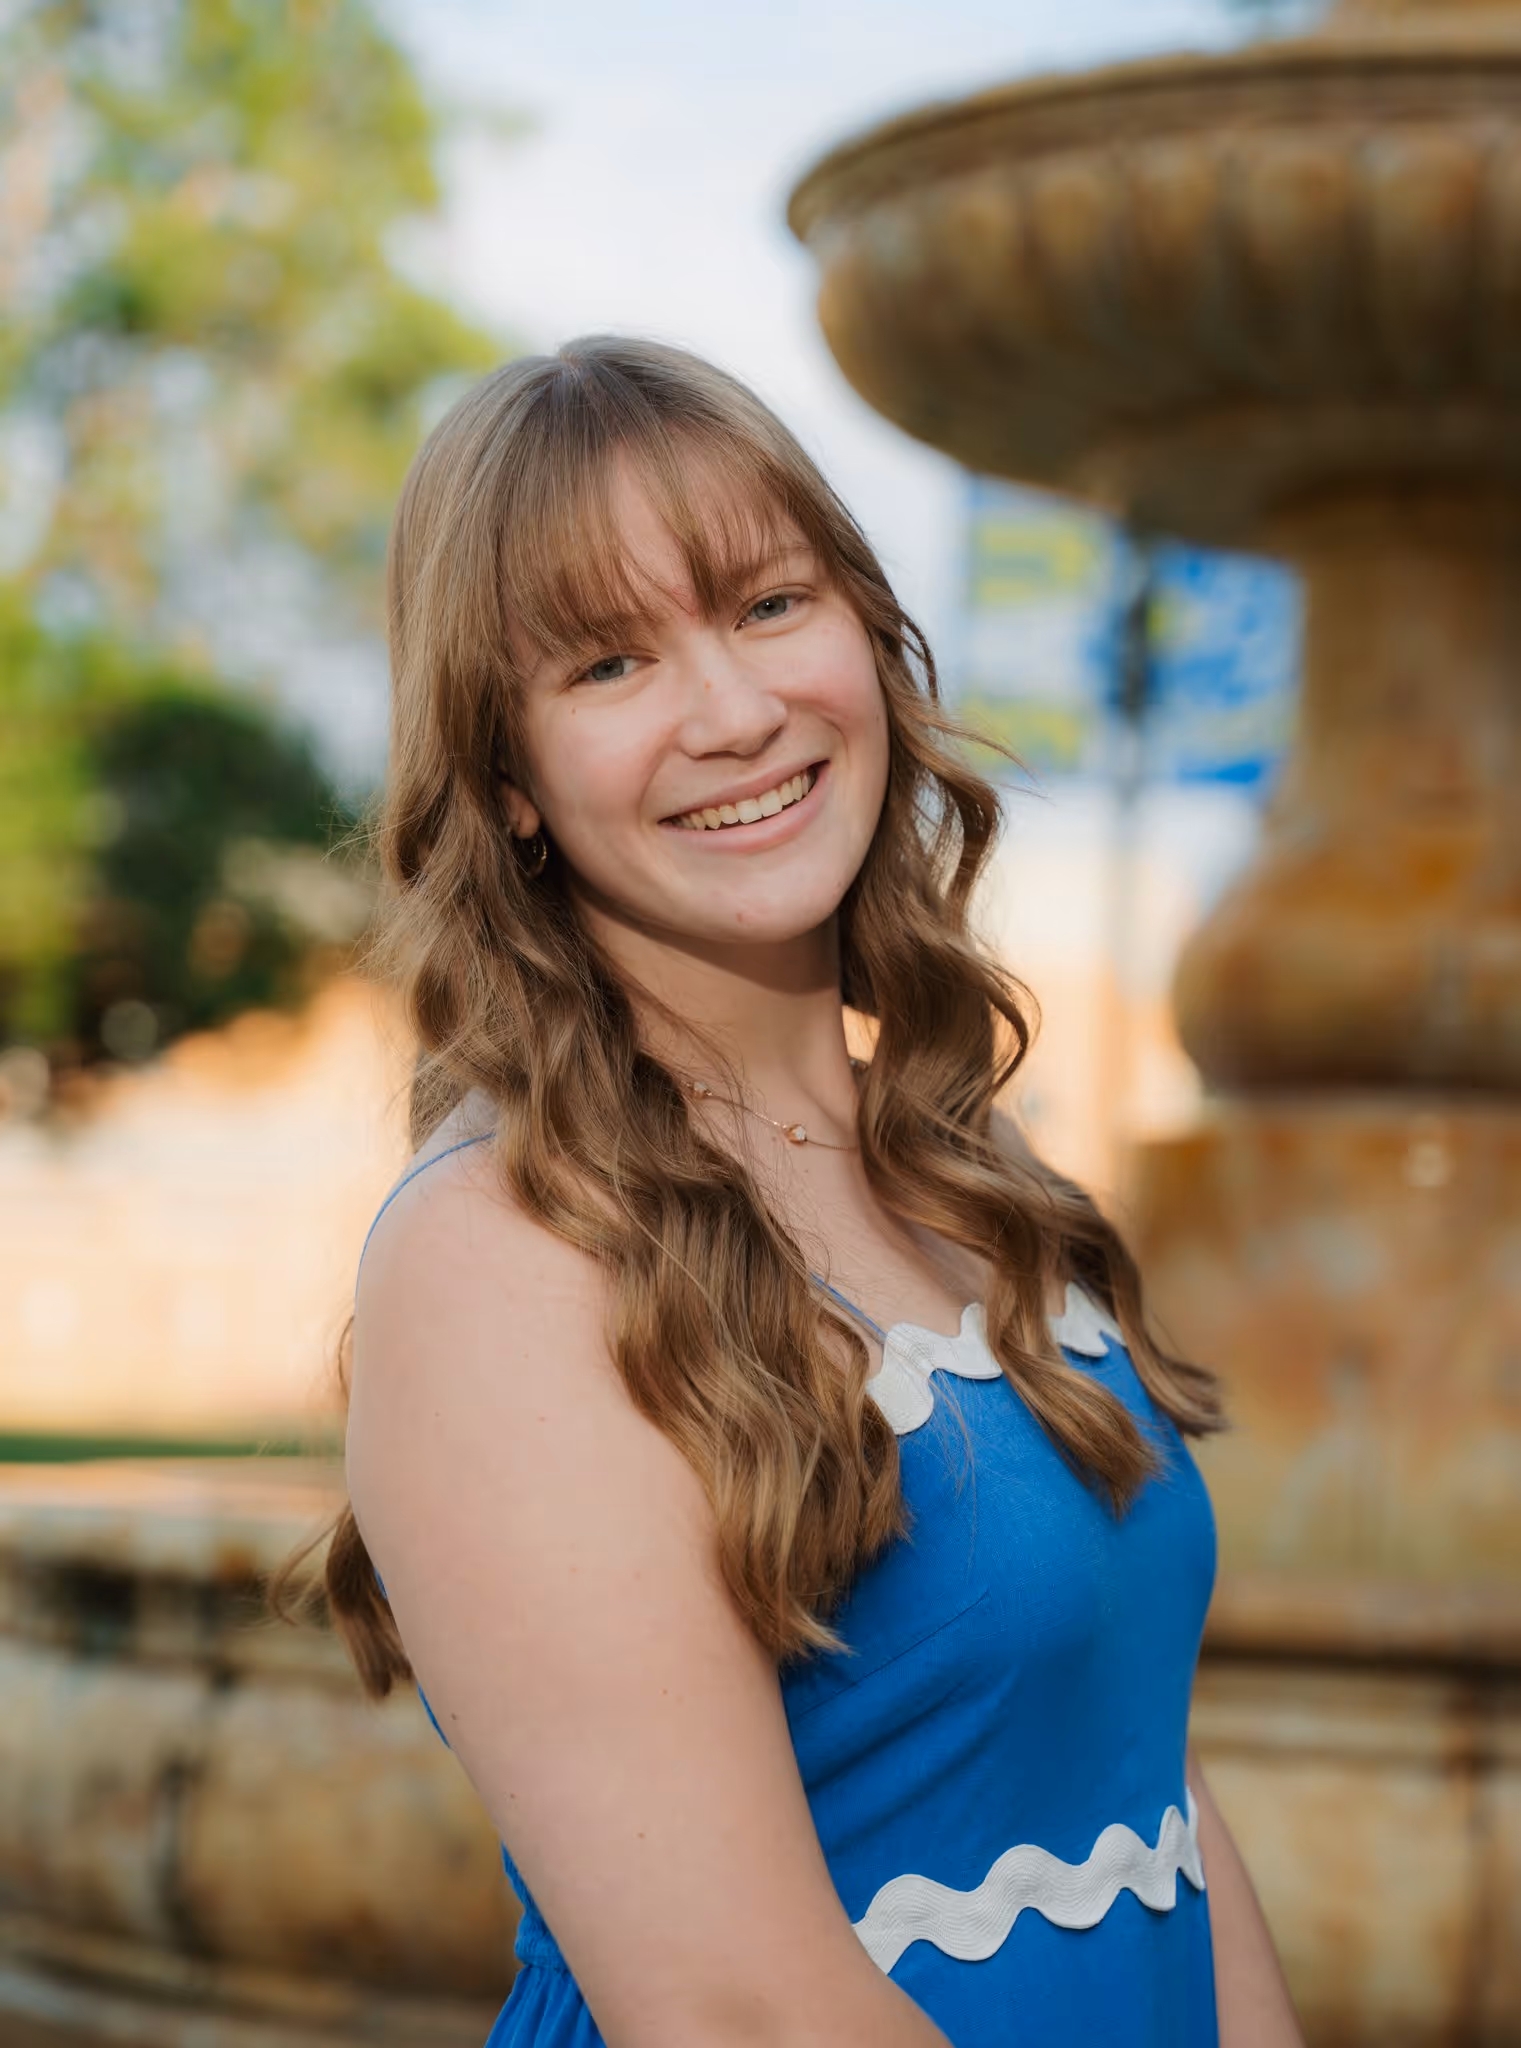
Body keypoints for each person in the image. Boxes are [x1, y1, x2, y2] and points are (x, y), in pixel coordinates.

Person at [323, 337, 1303, 2046]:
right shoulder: (505, 1255)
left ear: (867, 628)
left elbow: (1148, 1789)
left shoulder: (968, 1167)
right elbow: (733, 2010)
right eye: (612, 661)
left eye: (770, 605)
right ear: (504, 786)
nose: (734, 709)